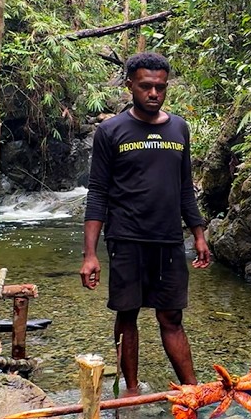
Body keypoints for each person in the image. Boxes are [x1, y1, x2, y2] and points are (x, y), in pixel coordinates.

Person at [80, 51, 212, 396]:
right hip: (126, 238)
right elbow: (97, 193)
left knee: (171, 317)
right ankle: (132, 389)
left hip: (168, 240)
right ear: (130, 86)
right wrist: (90, 254)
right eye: (145, 87)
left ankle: (192, 390)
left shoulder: (179, 128)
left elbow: (185, 187)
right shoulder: (110, 131)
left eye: (160, 87)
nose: (153, 93)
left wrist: (198, 234)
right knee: (127, 314)